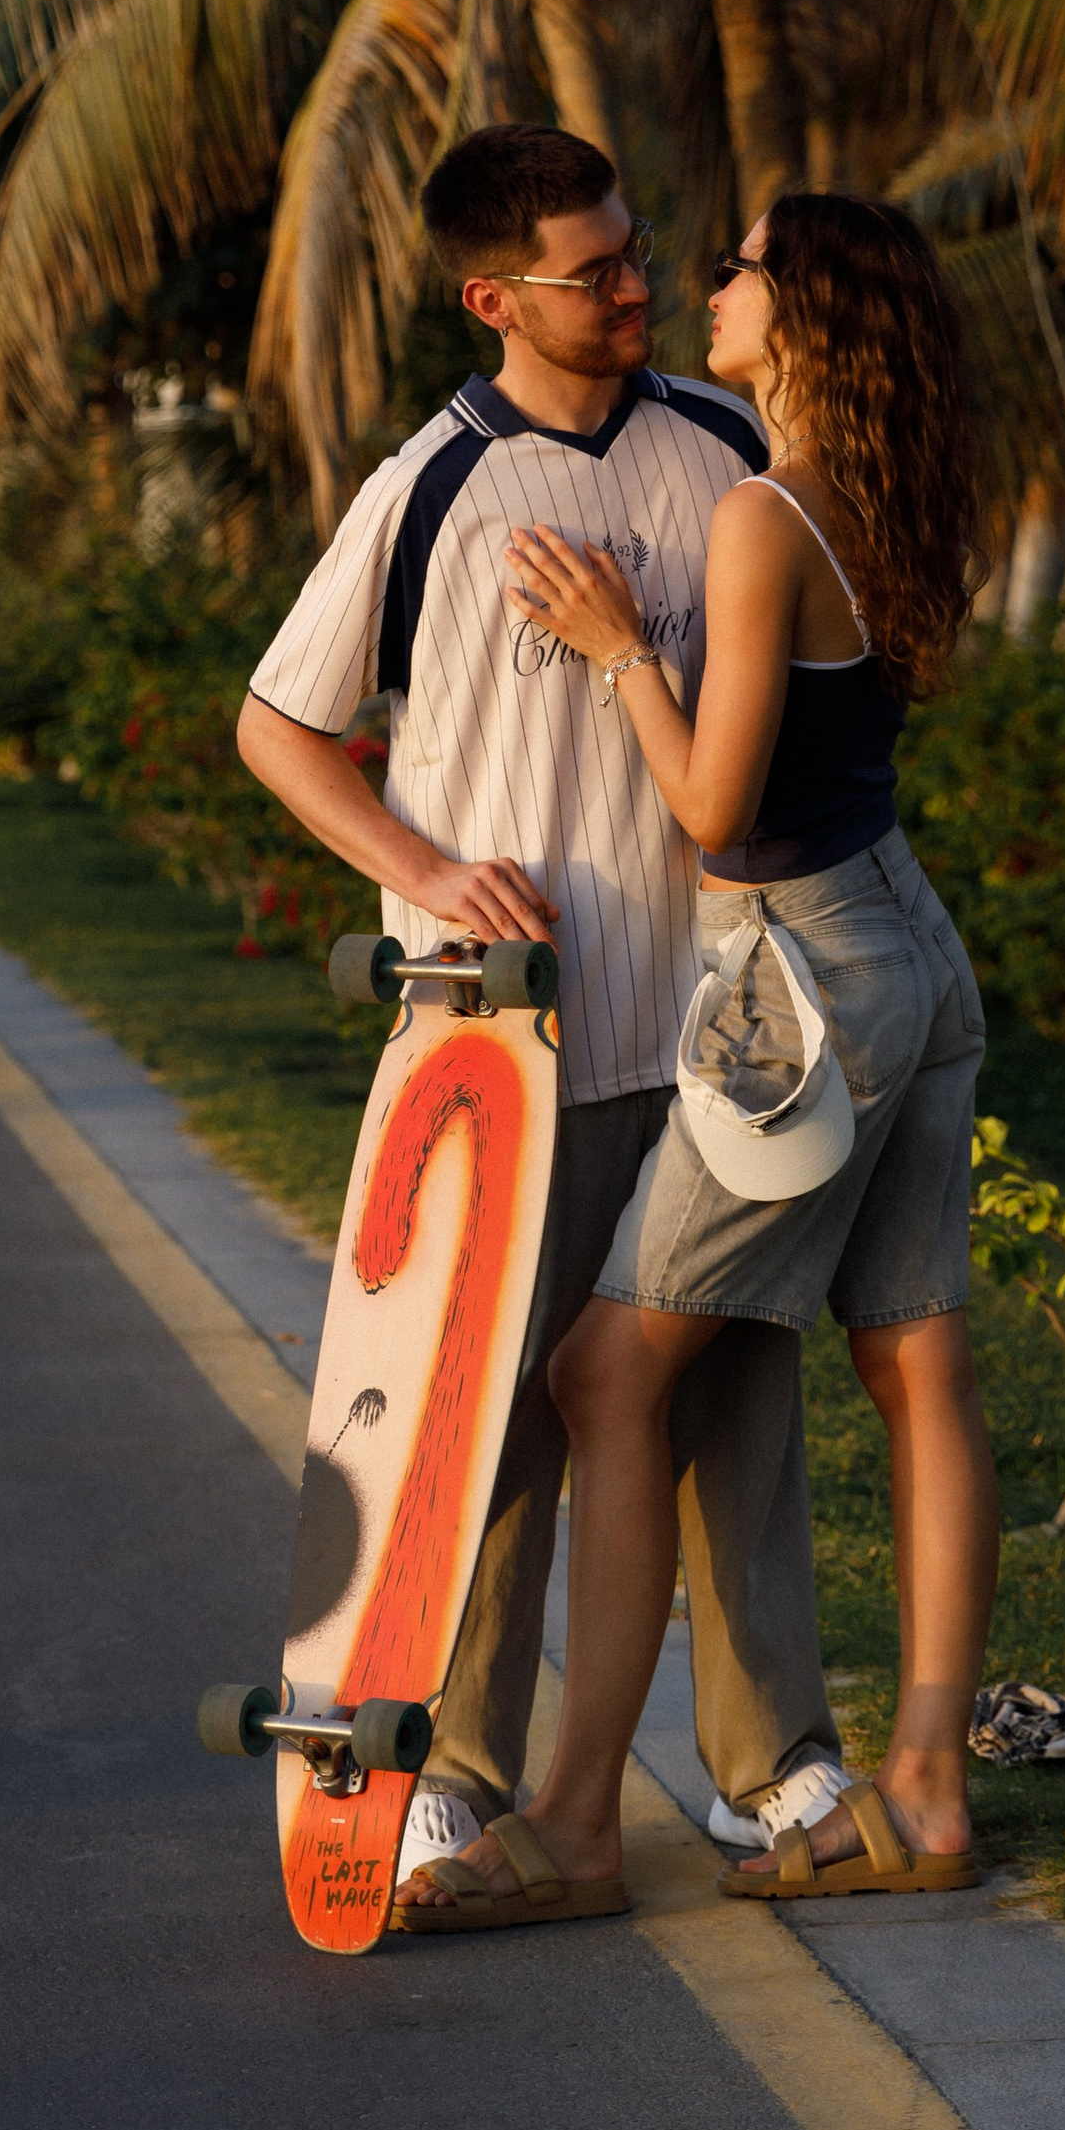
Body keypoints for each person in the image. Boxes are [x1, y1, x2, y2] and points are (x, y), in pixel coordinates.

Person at [237, 127, 846, 1886]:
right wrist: (424, 874)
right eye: (597, 270)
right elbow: (282, 724)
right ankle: (464, 1769)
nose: (639, 285)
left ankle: (772, 1763)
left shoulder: (724, 449)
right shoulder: (428, 485)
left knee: (738, 1395)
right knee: (489, 1417)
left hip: (719, 1018)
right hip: (507, 1045)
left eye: (642, 251)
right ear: (497, 297)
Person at [399, 188, 996, 1931]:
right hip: (909, 942)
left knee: (600, 1376)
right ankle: (928, 1793)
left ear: (797, 315)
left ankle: (579, 1820)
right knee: (919, 1375)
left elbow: (714, 808)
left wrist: (615, 657)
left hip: (795, 973)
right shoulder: (890, 490)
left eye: (737, 266)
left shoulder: (760, 512)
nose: (708, 289)